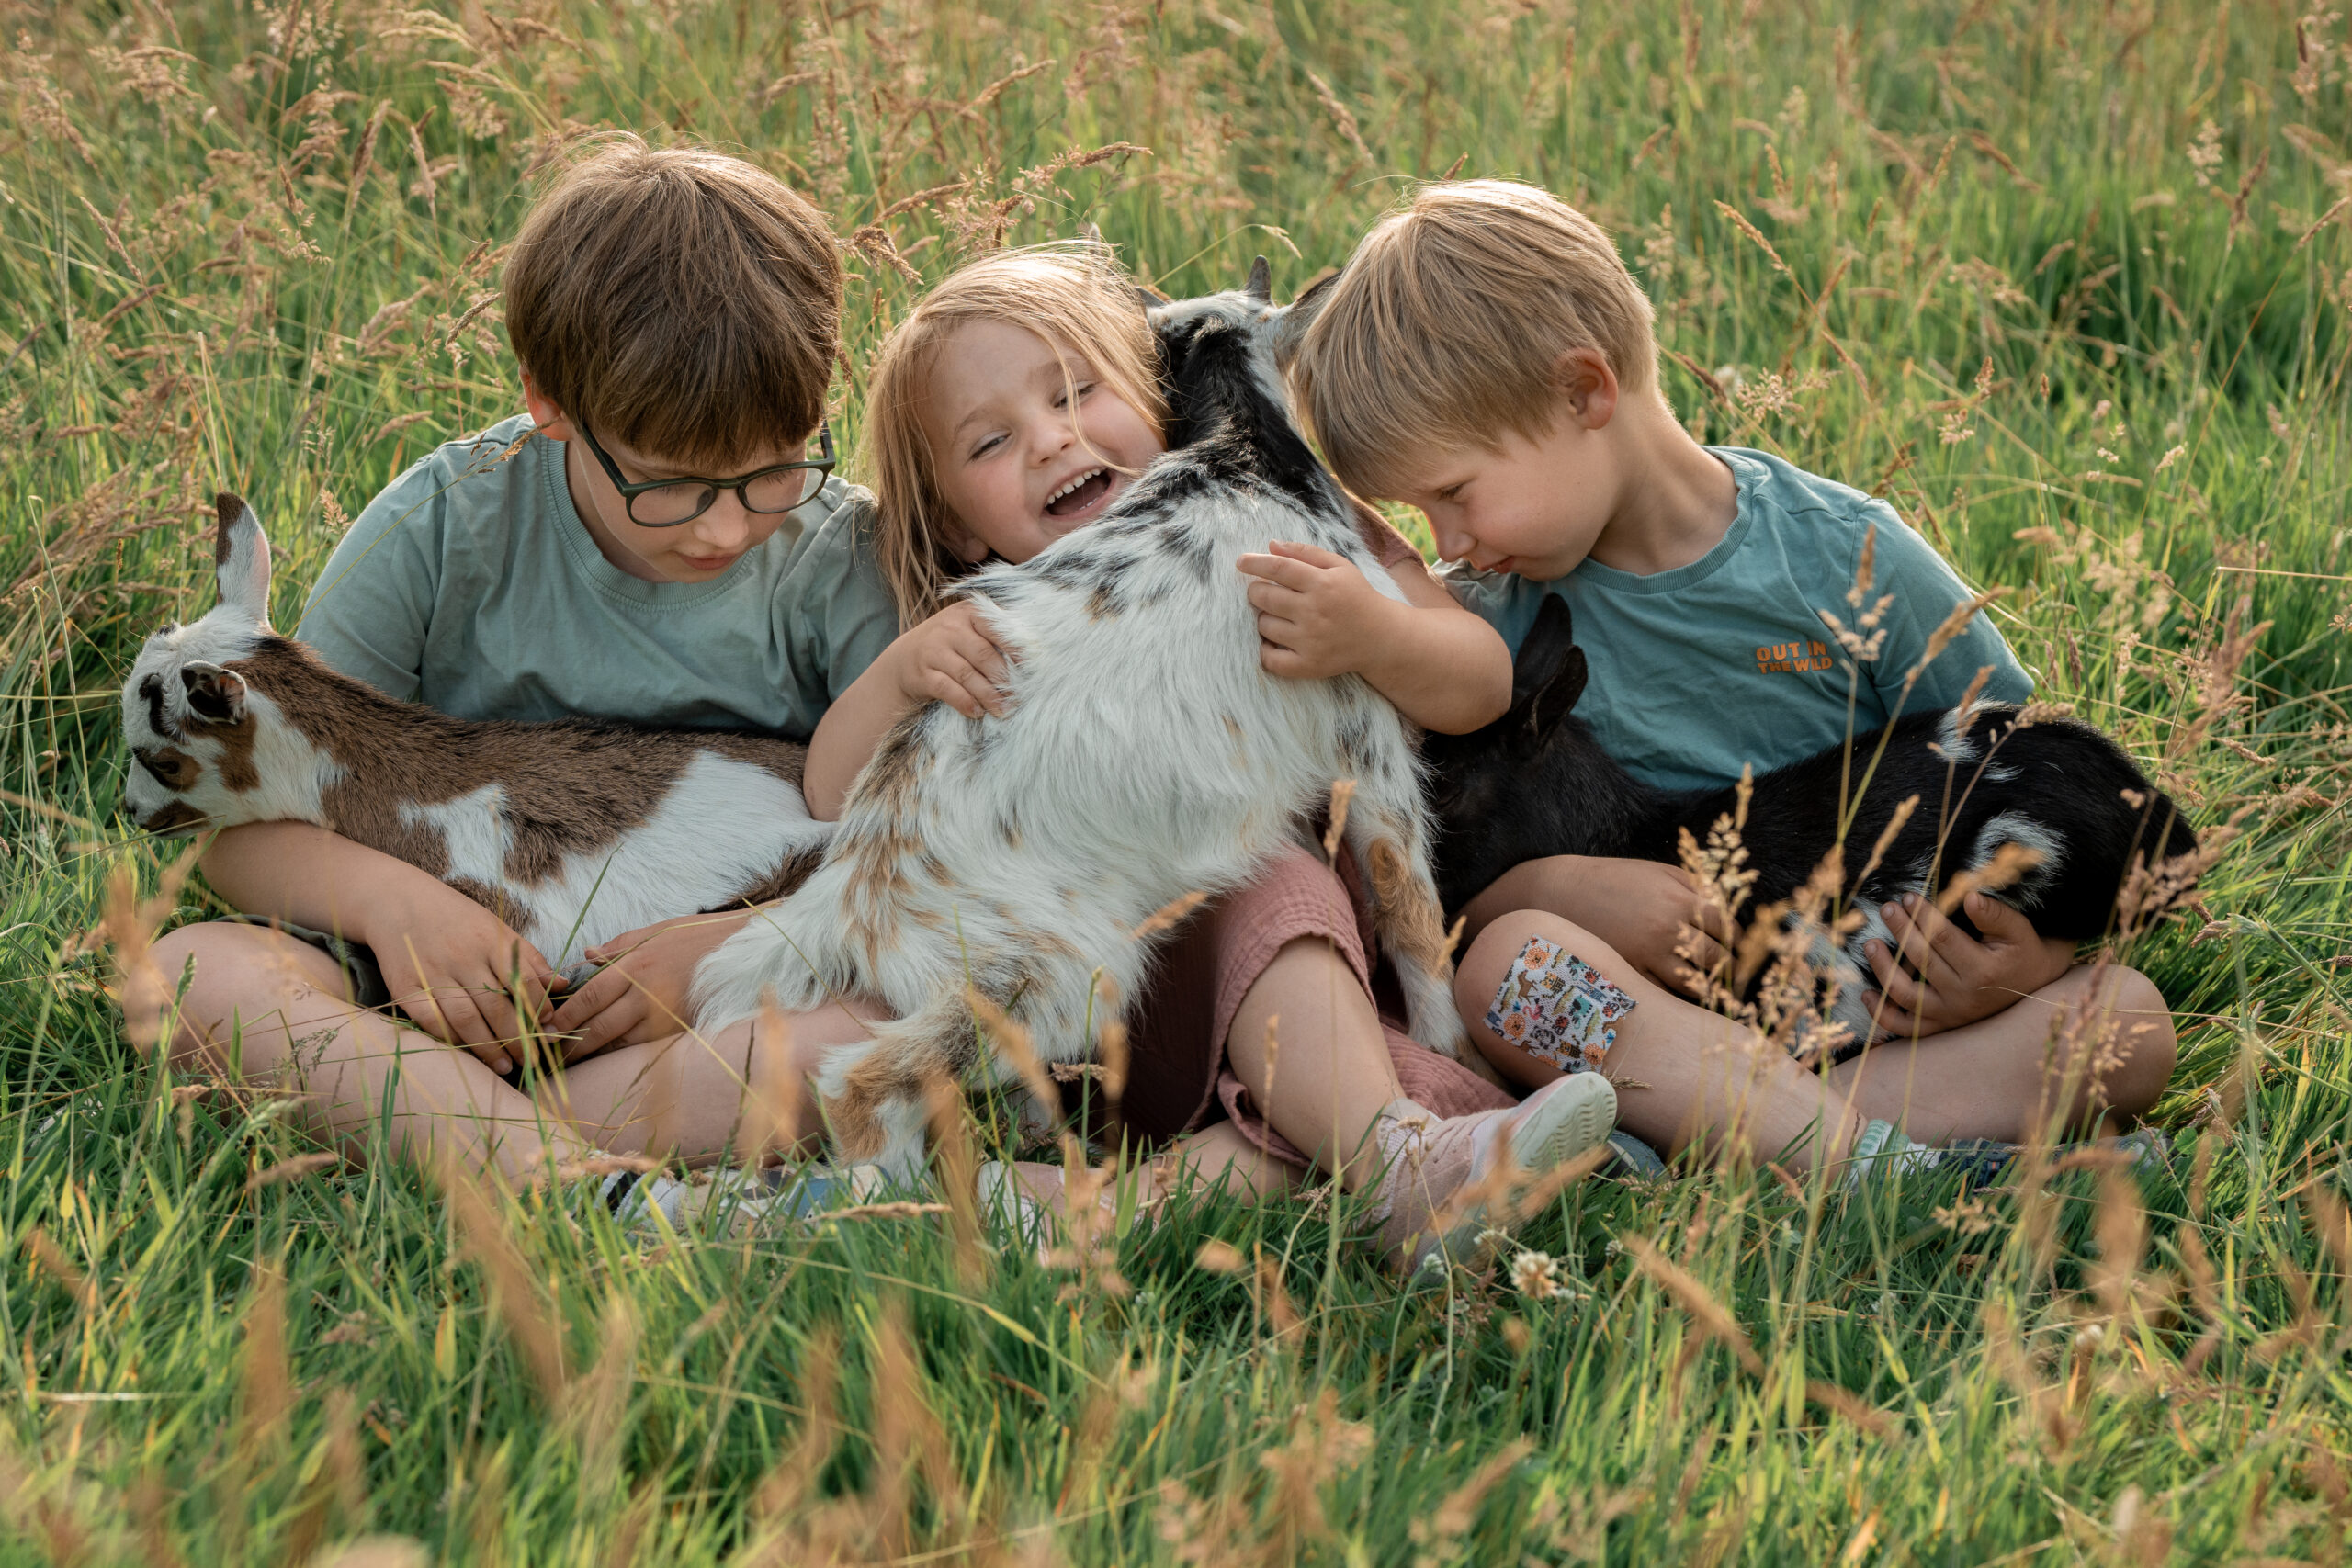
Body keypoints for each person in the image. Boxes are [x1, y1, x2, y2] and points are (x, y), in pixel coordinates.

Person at [1285, 179, 2177, 1177]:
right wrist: (1554, 888)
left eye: (1453, 495)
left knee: (2129, 1022)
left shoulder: (1842, 554)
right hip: (1660, 1019)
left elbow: (2017, 752)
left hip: (1895, 996)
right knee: (1510, 968)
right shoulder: (1483, 632)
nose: (1450, 543)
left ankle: (1753, 1138)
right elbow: (1442, 893)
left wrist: (2014, 966)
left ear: (1583, 393)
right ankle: (1882, 1160)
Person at [147, 137, 900, 1225]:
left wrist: (731, 949)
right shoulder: (440, 531)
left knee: (886, 1021)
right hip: (414, 993)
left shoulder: (843, 564)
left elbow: (917, 845)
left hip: (720, 996)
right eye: (671, 486)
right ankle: (591, 1182)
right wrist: (395, 909)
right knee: (189, 978)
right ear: (551, 406)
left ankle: (462, 1140)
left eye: (779, 466)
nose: (730, 524)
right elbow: (245, 832)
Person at [824, 243, 1618, 1271]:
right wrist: (900, 675)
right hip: (1110, 987)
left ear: (1157, 398)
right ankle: (1395, 1154)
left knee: (1316, 1075)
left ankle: (1118, 1203)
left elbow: (1480, 681)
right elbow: (832, 793)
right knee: (1291, 936)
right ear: (956, 529)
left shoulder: (1292, 510)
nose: (1051, 439)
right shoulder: (996, 625)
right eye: (990, 443)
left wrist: (1373, 635)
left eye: (1079, 392)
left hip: (1309, 994)